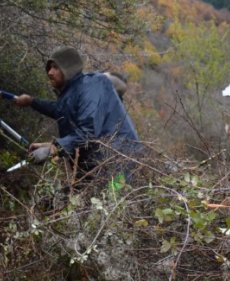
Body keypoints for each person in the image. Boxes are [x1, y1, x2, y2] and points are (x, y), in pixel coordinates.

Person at [13, 47, 140, 182]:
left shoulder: (91, 85)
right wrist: (31, 101)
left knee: (112, 197)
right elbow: (60, 110)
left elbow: (88, 131)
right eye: (49, 68)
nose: (50, 72)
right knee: (84, 198)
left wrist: (55, 147)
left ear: (68, 69)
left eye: (55, 67)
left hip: (120, 163)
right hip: (96, 163)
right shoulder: (73, 91)